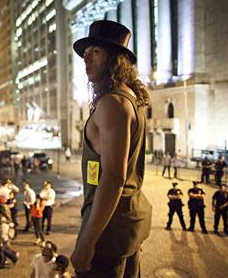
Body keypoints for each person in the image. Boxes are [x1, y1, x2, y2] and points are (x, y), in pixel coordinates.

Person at [70, 20, 152, 277]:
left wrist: (86, 242)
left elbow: (114, 177)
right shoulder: (130, 98)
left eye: (95, 52)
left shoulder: (113, 103)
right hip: (124, 225)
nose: (86, 60)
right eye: (85, 54)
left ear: (116, 59)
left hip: (109, 231)